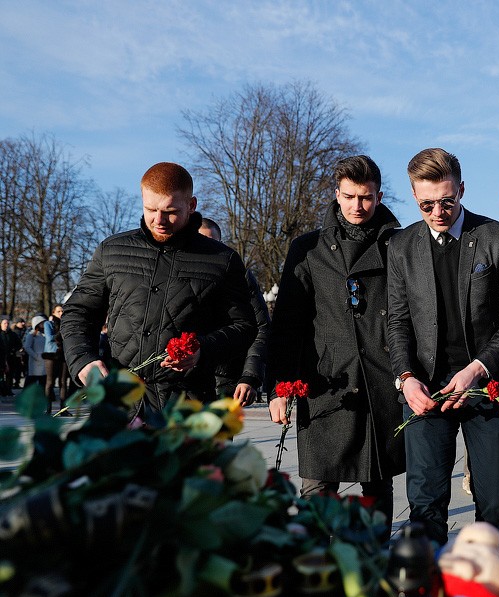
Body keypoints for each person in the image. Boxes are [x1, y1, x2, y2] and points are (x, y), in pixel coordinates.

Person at [387, 147, 499, 544]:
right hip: (426, 390)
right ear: (415, 197)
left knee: (495, 502)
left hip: (485, 387)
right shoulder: (401, 247)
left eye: (446, 201)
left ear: (462, 190)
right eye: (426, 204)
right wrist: (405, 378)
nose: (437, 212)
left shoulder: (495, 236)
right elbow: (397, 321)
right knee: (425, 505)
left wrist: (476, 369)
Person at [61, 162, 256, 421]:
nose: (159, 220)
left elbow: (244, 326)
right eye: (150, 209)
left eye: (170, 211)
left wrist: (201, 351)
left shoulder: (221, 259)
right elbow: (78, 311)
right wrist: (83, 359)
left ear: (192, 205)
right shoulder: (113, 250)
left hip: (189, 407)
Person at [267, 155, 404, 523]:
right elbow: (287, 324)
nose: (357, 206)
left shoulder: (401, 246)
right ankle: (316, 563)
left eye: (366, 197)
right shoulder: (308, 248)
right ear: (336, 194)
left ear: (378, 195)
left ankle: (373, 561)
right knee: (316, 484)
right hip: (326, 381)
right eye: (349, 196)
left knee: (377, 484)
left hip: (380, 379)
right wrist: (280, 386)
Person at [198, 218, 270, 406]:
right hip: (182, 380)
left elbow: (260, 327)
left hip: (224, 381)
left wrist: (249, 377)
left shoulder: (240, 277)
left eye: (213, 242)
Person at [43, 305, 69, 412]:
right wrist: (62, 331)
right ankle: (47, 409)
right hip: (51, 354)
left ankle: (63, 409)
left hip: (63, 354)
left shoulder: (66, 324)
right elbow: (50, 338)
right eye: (58, 311)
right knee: (50, 383)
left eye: (62, 311)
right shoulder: (48, 324)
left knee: (63, 382)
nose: (61, 313)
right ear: (53, 313)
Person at [23, 316, 48, 396]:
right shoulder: (31, 335)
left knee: (42, 382)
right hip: (34, 363)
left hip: (43, 362)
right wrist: (36, 356)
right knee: (30, 382)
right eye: (41, 323)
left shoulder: (44, 335)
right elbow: (27, 347)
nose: (43, 325)